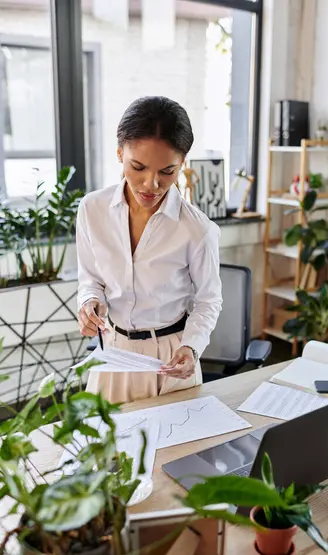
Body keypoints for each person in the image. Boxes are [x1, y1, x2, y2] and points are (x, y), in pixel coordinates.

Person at [76, 96, 222, 403]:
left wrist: (192, 346)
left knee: (177, 449)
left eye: (167, 171)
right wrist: (90, 301)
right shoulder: (92, 209)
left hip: (170, 358)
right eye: (138, 167)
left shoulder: (197, 230)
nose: (150, 185)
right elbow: (90, 277)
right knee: (107, 448)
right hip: (113, 353)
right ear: (120, 153)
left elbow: (209, 301)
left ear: (182, 164)